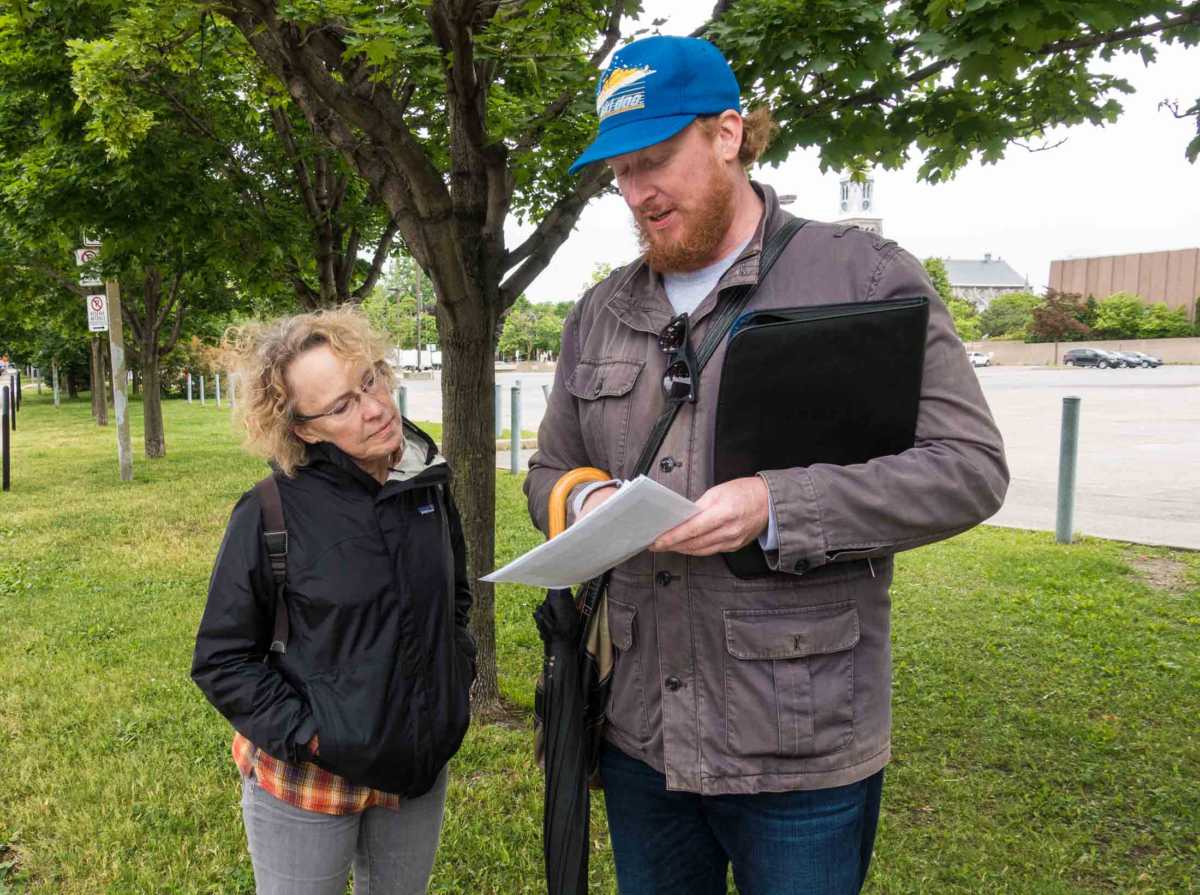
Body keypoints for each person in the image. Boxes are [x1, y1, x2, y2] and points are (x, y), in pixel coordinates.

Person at [525, 35, 1009, 895]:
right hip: (642, 735)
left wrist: (776, 503)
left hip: (804, 744)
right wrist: (587, 498)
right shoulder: (598, 311)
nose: (638, 193)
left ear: (728, 133)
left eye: (656, 160)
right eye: (620, 173)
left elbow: (968, 467)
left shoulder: (862, 276)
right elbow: (548, 471)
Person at [192, 308, 476, 895]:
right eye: (342, 404)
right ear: (303, 428)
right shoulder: (269, 511)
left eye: (371, 379)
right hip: (312, 779)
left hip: (416, 764)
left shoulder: (425, 483)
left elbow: (455, 600)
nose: (374, 407)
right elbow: (222, 659)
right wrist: (314, 737)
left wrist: (453, 678)